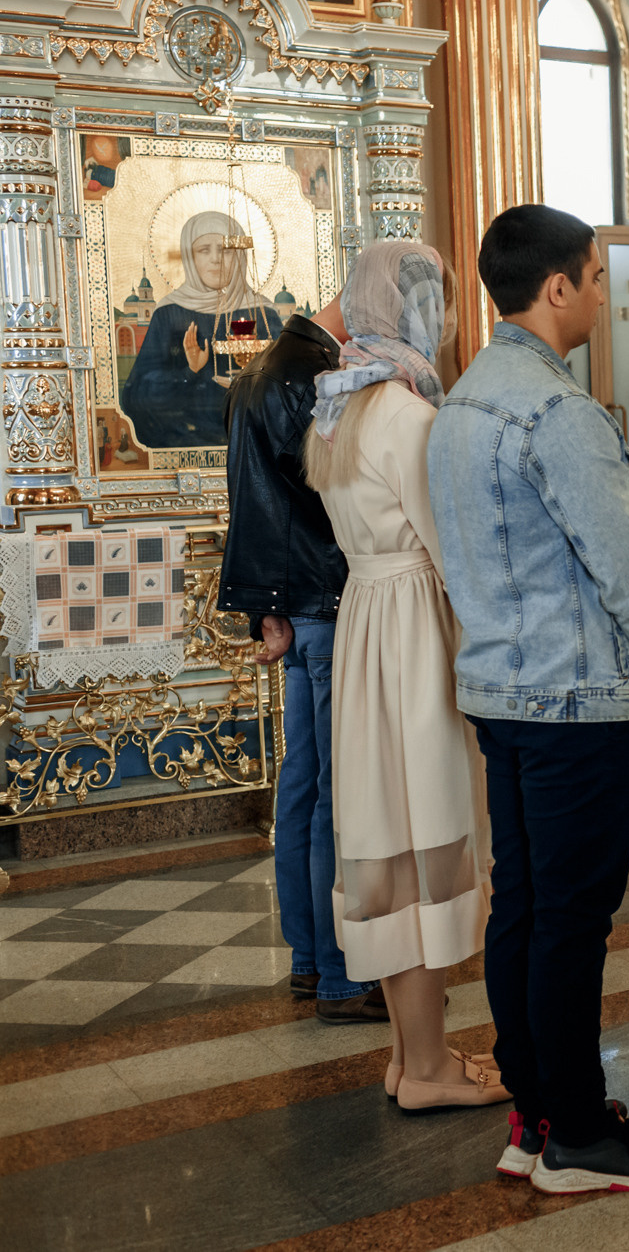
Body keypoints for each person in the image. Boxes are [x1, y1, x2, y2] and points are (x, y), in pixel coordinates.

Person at [429, 205, 629, 1194]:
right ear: (555, 288)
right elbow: (626, 566)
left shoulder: (458, 404)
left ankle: (535, 1115)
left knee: (526, 908)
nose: (598, 290)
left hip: (500, 695)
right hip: (579, 701)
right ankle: (581, 1135)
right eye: (592, 275)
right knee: (572, 921)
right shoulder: (558, 413)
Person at [301, 241, 503, 1109]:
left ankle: (409, 1054)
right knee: (429, 833)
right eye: (437, 299)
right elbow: (450, 546)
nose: (445, 316)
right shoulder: (412, 416)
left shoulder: (338, 408)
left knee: (386, 832)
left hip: (367, 624)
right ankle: (427, 1068)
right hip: (417, 627)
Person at [220, 290, 385, 1024]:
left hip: (290, 599)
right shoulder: (315, 374)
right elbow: (333, 493)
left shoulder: (255, 370)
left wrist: (266, 606)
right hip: (327, 592)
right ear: (356, 309)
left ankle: (309, 958)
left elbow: (252, 501)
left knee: (302, 779)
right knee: (332, 790)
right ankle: (343, 974)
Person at [123, 211, 282, 449]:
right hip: (187, 441)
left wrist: (255, 384)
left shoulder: (263, 313)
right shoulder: (169, 314)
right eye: (204, 250)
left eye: (226, 250)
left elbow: (289, 382)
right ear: (190, 257)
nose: (216, 259)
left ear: (240, 257)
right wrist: (190, 371)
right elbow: (138, 396)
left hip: (254, 440)